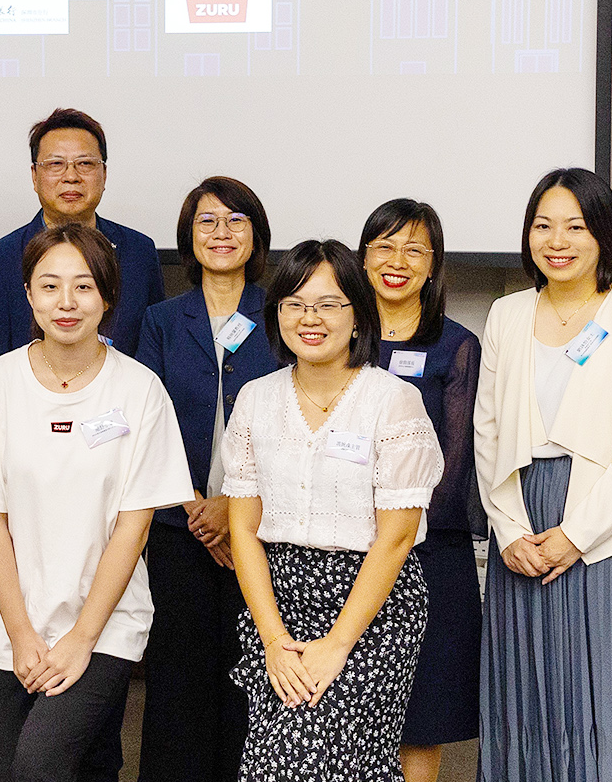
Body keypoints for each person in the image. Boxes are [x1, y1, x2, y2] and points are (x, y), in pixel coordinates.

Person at [0, 224, 193, 782]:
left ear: (109, 296)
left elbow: (133, 527)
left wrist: (81, 639)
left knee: (39, 766)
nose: (66, 302)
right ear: (28, 295)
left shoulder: (139, 389)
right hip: (11, 624)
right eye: (50, 286)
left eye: (84, 286)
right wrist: (21, 634)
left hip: (105, 624)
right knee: (26, 769)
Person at [475, 168, 612, 781]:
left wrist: (577, 535)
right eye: (542, 226)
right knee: (534, 693)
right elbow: (487, 431)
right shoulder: (506, 314)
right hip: (523, 522)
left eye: (575, 227)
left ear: (603, 235)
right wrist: (509, 530)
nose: (557, 241)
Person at [221, 239, 443, 781]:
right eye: (294, 304)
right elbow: (243, 530)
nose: (310, 318)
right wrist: (274, 640)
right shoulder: (255, 398)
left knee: (334, 759)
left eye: (328, 304)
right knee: (274, 759)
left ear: (358, 314)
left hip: (371, 605)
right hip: (280, 600)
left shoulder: (393, 401)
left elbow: (396, 537)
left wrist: (338, 645)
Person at [133, 176, 277, 782]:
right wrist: (199, 509)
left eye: (236, 220)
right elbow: (149, 422)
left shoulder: (282, 311)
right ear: (188, 237)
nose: (222, 233)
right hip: (179, 529)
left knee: (252, 676)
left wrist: (234, 510)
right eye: (207, 221)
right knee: (180, 682)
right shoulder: (162, 320)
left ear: (256, 235)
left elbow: (297, 415)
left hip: (264, 531)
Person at [357, 199, 484, 782]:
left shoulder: (455, 345)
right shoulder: (336, 338)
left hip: (428, 554)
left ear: (433, 265)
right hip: (340, 551)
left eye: (414, 250)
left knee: (420, 717)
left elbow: (454, 470)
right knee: (344, 711)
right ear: (362, 258)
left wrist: (393, 531)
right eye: (384, 246)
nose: (397, 261)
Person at [0, 108, 163, 363]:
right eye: (56, 164)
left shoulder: (139, 251)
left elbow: (154, 350)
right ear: (34, 176)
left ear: (104, 174)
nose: (71, 177)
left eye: (85, 164)